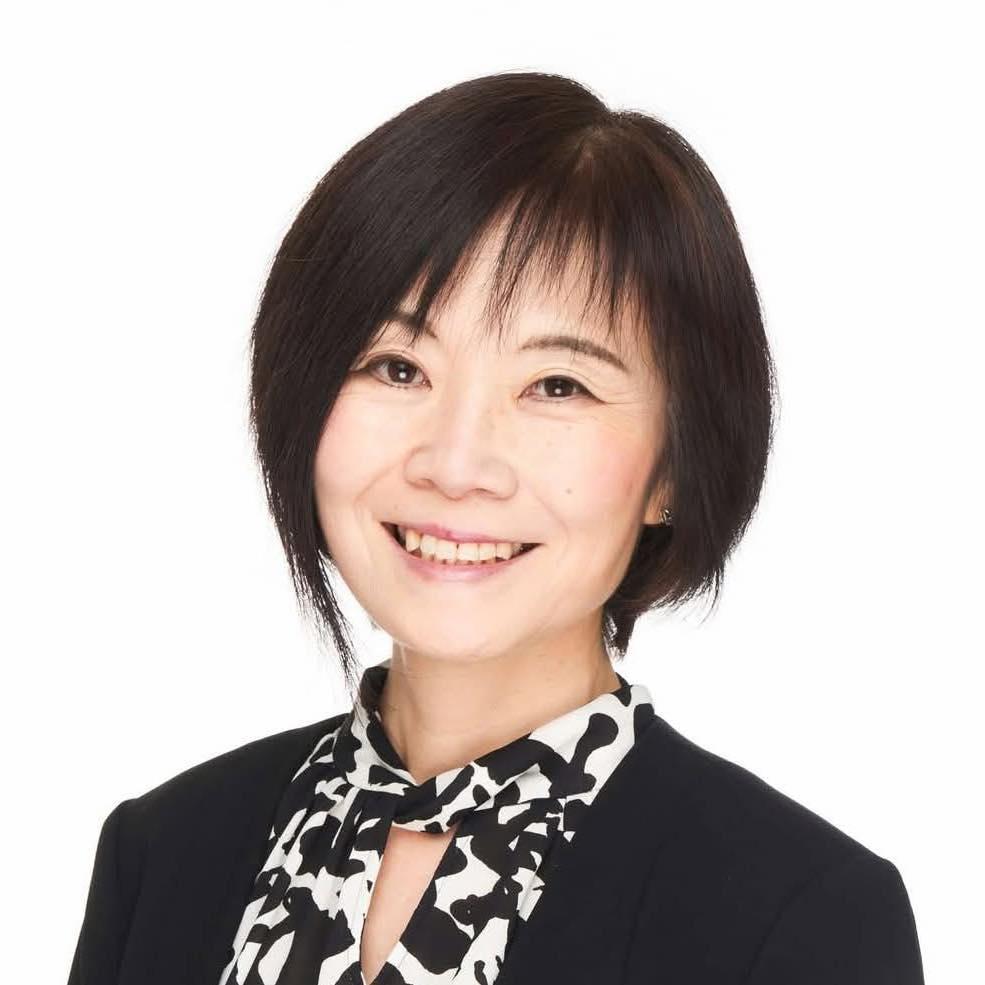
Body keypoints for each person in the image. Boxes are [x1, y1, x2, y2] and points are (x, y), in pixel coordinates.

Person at [67, 71, 925, 985]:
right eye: (397, 368)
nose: (456, 462)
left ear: (673, 468)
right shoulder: (162, 852)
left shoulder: (798, 915)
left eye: (557, 385)